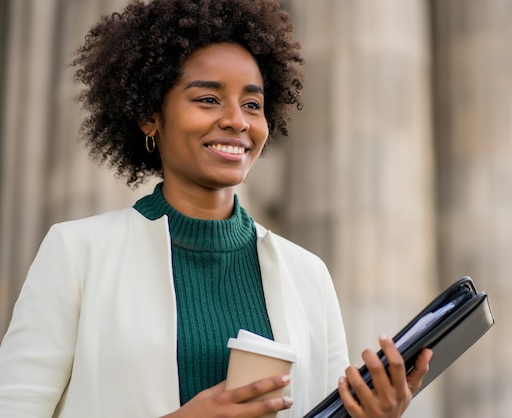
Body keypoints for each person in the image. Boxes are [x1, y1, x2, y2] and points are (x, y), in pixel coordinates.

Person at [0, 0, 432, 417]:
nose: (237, 121)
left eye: (252, 104)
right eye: (208, 99)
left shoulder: (308, 276)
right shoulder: (77, 254)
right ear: (150, 115)